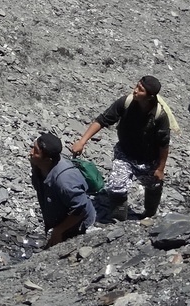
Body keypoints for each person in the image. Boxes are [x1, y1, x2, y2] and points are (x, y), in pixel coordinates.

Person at [68, 76, 171, 220]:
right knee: (116, 186)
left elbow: (163, 144)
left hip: (149, 159)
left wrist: (160, 169)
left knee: (154, 186)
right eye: (137, 86)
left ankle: (150, 214)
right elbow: (102, 120)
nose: (135, 91)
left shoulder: (160, 116)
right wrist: (82, 141)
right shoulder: (126, 102)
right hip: (125, 154)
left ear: (150, 97)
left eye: (140, 90)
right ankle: (119, 220)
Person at [30, 132, 96, 247]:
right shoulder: (38, 166)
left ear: (48, 160)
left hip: (79, 227)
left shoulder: (64, 180)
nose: (31, 153)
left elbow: (80, 209)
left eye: (36, 151)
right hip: (59, 218)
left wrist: (58, 231)